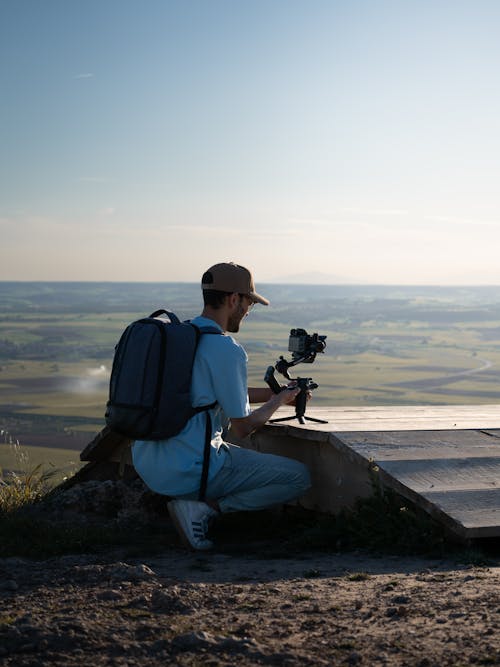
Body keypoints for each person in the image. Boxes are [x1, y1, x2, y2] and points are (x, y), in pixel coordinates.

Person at [132, 262, 311, 550]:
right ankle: (206, 509)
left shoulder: (182, 339)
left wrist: (275, 394)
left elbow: (205, 395)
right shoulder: (226, 349)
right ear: (233, 300)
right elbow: (243, 428)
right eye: (249, 303)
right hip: (192, 471)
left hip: (149, 465)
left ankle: (192, 502)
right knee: (298, 477)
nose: (248, 311)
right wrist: (279, 401)